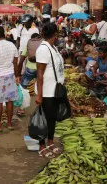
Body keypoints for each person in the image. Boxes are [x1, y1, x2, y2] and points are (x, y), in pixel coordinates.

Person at [36, 23, 64, 159]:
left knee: (52, 118)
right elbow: (39, 72)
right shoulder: (43, 49)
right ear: (55, 34)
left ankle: (50, 141)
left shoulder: (53, 47)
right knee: (45, 119)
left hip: (55, 89)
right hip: (46, 90)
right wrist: (39, 95)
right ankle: (41, 145)